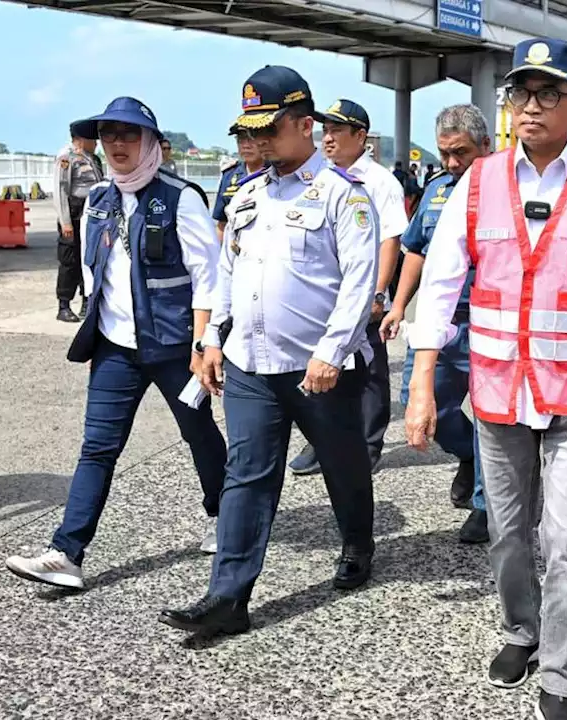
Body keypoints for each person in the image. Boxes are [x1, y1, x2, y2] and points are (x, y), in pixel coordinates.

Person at [404, 38, 567, 720]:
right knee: (507, 533)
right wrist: (423, 383)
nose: (531, 106)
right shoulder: (479, 182)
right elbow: (440, 287)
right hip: (496, 395)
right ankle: (520, 628)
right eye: (522, 92)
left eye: (549, 93)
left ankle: (560, 677)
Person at [159, 66, 380, 638]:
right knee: (246, 474)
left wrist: (332, 352)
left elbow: (359, 282)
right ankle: (228, 597)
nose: (257, 141)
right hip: (251, 363)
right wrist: (211, 340)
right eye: (249, 130)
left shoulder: (342, 196)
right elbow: (228, 274)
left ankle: (357, 540)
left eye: (270, 128)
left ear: (306, 125)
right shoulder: (247, 196)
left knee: (342, 461)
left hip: (318, 369)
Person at [5, 97, 226, 589]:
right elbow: (92, 271)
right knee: (97, 448)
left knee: (198, 433)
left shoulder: (180, 197)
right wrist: (95, 334)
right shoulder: (99, 198)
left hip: (173, 347)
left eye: (129, 135)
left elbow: (209, 277)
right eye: (109, 136)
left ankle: (225, 516)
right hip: (115, 349)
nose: (118, 145)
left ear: (150, 142)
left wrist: (204, 343)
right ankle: (66, 553)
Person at [380, 104, 493, 543]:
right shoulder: (437, 190)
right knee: (422, 403)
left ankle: (487, 505)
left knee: (491, 419)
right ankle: (466, 455)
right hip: (439, 325)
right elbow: (416, 251)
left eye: (461, 153)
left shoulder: (509, 193)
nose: (451, 163)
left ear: (486, 146)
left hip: (489, 323)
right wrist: (396, 305)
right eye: (445, 153)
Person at [286, 99, 409, 478]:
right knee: (323, 364)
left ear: (361, 137)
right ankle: (321, 438)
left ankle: (370, 443)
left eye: (338, 131)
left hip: (363, 293)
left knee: (370, 372)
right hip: (324, 297)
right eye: (326, 131)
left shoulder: (379, 181)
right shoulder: (319, 178)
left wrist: (378, 292)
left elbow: (391, 238)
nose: (328, 139)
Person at [53, 122, 104, 322]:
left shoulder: (94, 160)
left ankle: (87, 301)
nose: (97, 145)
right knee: (69, 261)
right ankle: (64, 305)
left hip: (91, 216)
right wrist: (65, 221)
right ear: (82, 140)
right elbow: (60, 190)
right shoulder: (67, 159)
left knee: (89, 259)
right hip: (73, 214)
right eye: (94, 141)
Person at [212, 127, 267, 238]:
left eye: (251, 139)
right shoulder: (230, 175)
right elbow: (222, 225)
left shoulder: (278, 173)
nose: (246, 145)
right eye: (241, 139)